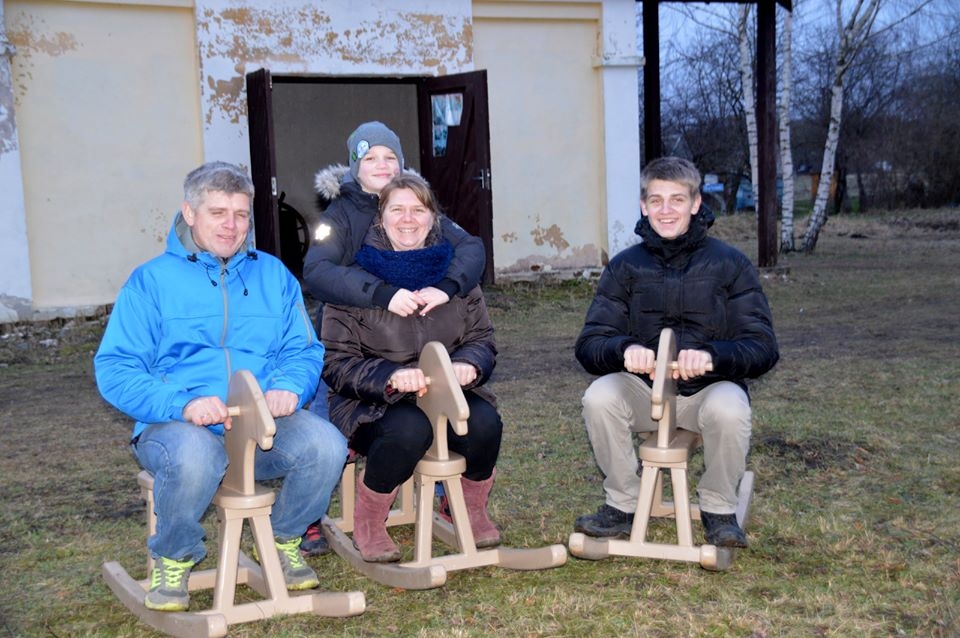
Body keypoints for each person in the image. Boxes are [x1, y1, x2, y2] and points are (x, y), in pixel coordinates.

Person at [94, 161, 347, 612]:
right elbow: (115, 367)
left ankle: (286, 537)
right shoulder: (150, 282)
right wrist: (181, 402)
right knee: (195, 456)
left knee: (327, 444)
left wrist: (290, 385)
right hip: (175, 424)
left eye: (241, 214)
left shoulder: (273, 276)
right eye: (218, 213)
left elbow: (304, 350)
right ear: (189, 213)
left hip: (260, 426)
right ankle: (174, 556)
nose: (232, 226)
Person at [299, 120, 486, 556]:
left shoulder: (411, 199)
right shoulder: (338, 216)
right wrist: (382, 295)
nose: (381, 166)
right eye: (369, 158)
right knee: (329, 427)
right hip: (351, 331)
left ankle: (444, 494)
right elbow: (317, 271)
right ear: (353, 166)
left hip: (413, 330)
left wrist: (450, 287)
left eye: (389, 157)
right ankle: (310, 515)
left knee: (438, 410)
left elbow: (471, 248)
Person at [573, 156, 778, 548]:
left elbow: (763, 347)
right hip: (644, 391)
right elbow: (589, 343)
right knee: (599, 397)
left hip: (707, 389)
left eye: (677, 200)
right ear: (643, 205)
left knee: (730, 408)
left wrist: (713, 356)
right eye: (656, 200)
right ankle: (623, 502)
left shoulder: (730, 263)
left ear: (696, 203)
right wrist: (623, 349)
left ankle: (719, 508)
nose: (666, 210)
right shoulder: (623, 267)